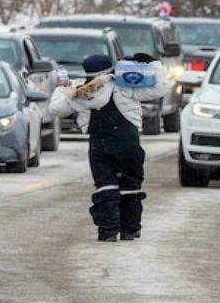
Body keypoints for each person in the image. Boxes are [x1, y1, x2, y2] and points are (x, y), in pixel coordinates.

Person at [49, 53, 171, 242]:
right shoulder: (124, 86)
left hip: (99, 144)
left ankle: (108, 230)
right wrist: (153, 63)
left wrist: (62, 88)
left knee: (105, 187)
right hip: (128, 143)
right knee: (130, 186)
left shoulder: (81, 93)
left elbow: (55, 109)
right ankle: (129, 229)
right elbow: (161, 87)